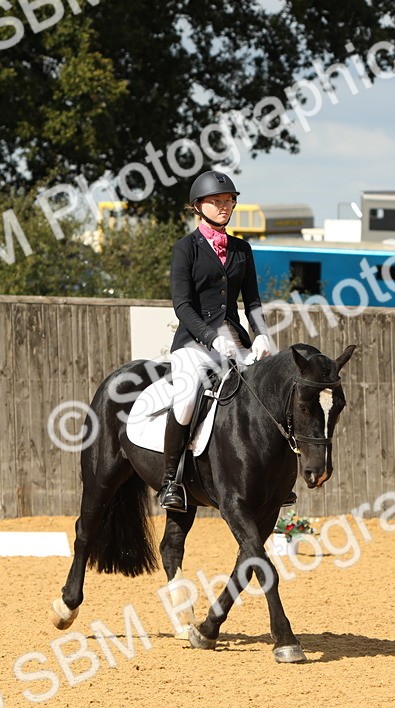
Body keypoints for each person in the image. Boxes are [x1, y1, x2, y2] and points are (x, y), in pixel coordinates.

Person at [158, 170, 294, 512]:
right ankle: (170, 481)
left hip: (235, 340)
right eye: (216, 202)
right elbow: (182, 305)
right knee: (187, 398)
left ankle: (276, 478)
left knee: (267, 392)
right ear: (197, 207)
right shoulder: (185, 249)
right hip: (193, 342)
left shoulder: (241, 249)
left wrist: (262, 333)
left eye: (228, 201)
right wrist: (208, 337)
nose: (224, 207)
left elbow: (252, 301)